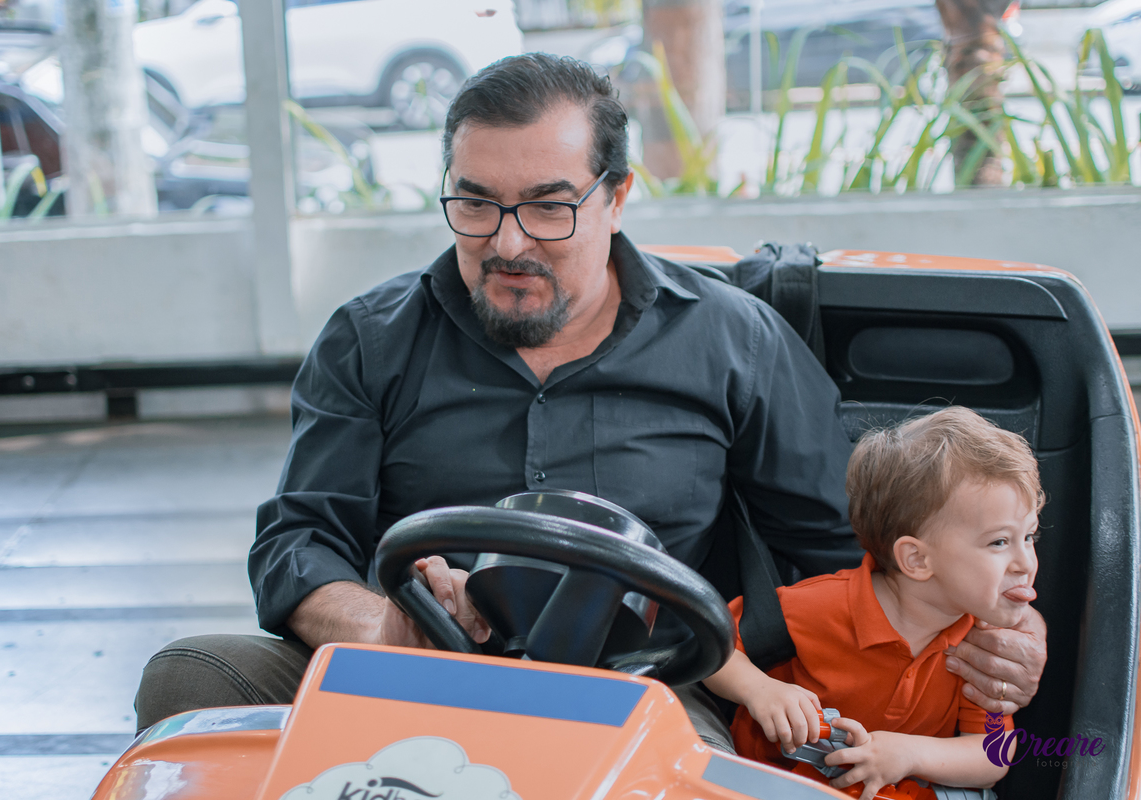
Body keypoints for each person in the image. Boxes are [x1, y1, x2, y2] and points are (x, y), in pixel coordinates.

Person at [133, 55, 1046, 751]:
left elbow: (857, 554)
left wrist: (1003, 625)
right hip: (407, 670)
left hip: (645, 686)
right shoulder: (371, 339)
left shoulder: (731, 339)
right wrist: (382, 621)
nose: (507, 242)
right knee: (190, 679)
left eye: (548, 206)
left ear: (616, 198)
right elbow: (298, 539)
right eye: (476, 205)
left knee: (686, 764)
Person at [704, 407, 1040, 798]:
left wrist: (912, 753)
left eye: (1029, 536)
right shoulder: (822, 607)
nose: (1025, 562)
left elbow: (993, 755)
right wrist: (759, 690)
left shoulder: (987, 646)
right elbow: (714, 645)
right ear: (916, 559)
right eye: (1000, 542)